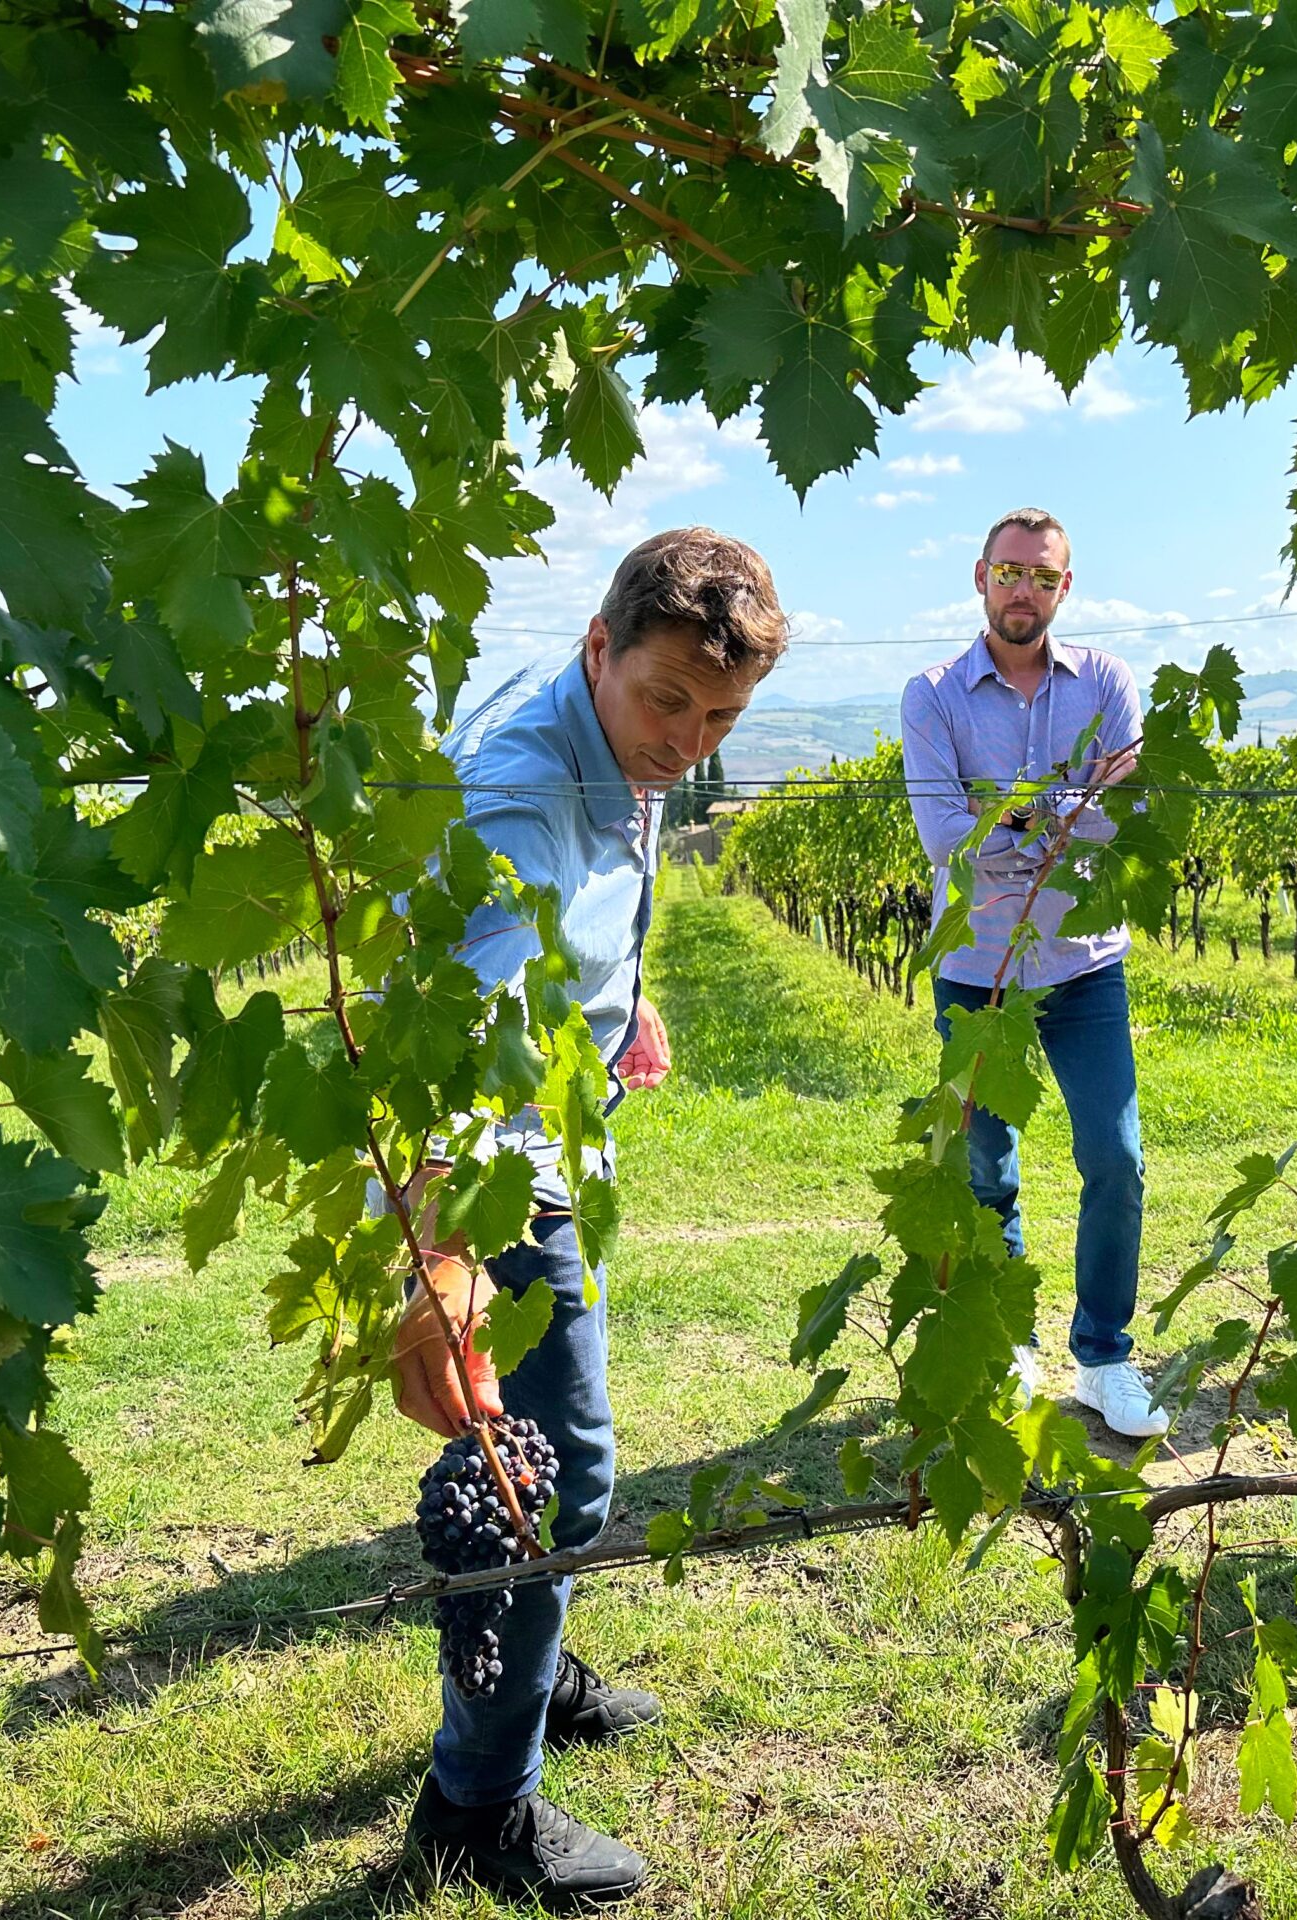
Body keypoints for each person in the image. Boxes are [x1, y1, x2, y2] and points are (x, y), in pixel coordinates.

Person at [391, 528, 789, 1903]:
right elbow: (465, 1022)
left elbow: (577, 898)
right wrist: (442, 1254)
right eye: (668, 703)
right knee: (559, 1474)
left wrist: (617, 993)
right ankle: (476, 1809)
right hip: (492, 1155)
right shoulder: (520, 791)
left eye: (721, 719)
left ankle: (537, 1670)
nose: (688, 743)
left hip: (551, 1108)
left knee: (541, 1464)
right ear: (598, 647)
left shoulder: (626, 723)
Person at [899, 506, 1166, 1440]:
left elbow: (1122, 817)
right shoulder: (933, 695)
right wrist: (1061, 805)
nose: (1025, 589)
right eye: (1010, 572)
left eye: (1043, 576)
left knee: (1117, 1160)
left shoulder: (1108, 681)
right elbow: (946, 836)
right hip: (978, 970)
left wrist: (1006, 812)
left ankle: (1104, 1357)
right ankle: (1011, 1338)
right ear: (981, 577)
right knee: (988, 1166)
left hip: (1086, 966)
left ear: (1065, 587)